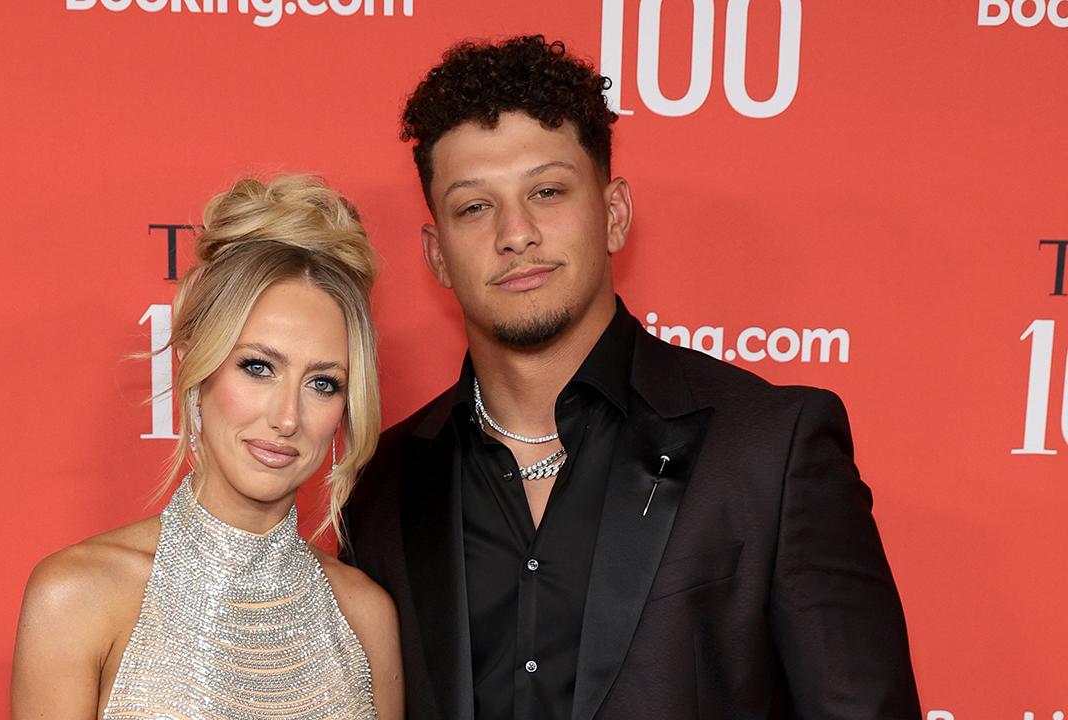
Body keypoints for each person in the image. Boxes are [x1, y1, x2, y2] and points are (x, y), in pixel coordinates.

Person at [343, 36, 920, 720]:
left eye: (548, 192)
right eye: (475, 207)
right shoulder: (379, 487)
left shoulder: (771, 450)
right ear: (438, 254)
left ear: (613, 214)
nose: (516, 232)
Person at [11, 175, 404, 720]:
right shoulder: (78, 597)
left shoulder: (367, 617)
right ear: (198, 368)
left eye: (322, 383)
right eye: (258, 367)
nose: (287, 417)